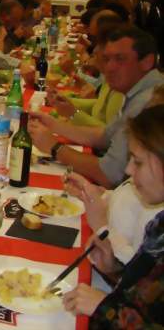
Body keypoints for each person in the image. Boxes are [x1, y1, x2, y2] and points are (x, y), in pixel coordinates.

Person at [62, 104, 164, 327]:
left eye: (138, 162)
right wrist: (115, 271)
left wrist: (104, 307)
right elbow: (145, 296)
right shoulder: (159, 227)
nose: (128, 170)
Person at [29, 26, 164, 188]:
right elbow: (106, 136)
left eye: (120, 59)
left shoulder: (148, 100)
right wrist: (54, 124)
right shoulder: (139, 90)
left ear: (147, 62)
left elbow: (110, 174)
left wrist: (54, 147)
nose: (110, 68)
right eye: (107, 59)